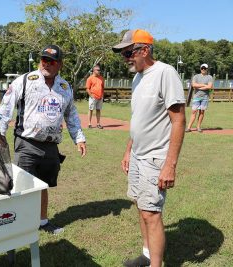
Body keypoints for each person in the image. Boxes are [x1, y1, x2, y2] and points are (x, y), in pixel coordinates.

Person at [112, 29, 186, 267]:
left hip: (156, 157)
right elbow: (139, 118)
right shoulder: (138, 78)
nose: (126, 58)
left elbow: (178, 120)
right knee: (140, 205)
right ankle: (146, 255)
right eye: (123, 54)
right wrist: (128, 150)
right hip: (137, 154)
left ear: (145, 49)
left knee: (151, 213)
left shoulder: (165, 73)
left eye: (128, 52)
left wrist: (170, 165)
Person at [0, 44, 87, 235]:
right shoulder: (24, 81)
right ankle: (18, 224)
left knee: (42, 186)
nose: (46, 64)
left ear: (60, 64)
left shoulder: (65, 87)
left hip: (51, 146)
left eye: (52, 61)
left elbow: (71, 115)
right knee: (20, 185)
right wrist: (0, 134)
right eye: (44, 60)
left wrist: (78, 138)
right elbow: (6, 108)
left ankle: (42, 221)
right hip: (27, 142)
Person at [185, 63, 213, 133]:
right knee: (194, 112)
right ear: (200, 68)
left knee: (202, 112)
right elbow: (193, 85)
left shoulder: (209, 77)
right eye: (202, 68)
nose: (203, 69)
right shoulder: (196, 76)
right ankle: (189, 128)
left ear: (207, 69)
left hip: (205, 97)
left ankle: (198, 127)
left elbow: (209, 87)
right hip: (196, 97)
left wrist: (199, 87)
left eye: (205, 68)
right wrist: (204, 85)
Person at [86, 64, 105, 129]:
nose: (99, 71)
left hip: (100, 97)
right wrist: (91, 96)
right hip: (93, 97)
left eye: (99, 70)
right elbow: (87, 88)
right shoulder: (90, 78)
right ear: (94, 70)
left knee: (98, 110)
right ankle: (89, 124)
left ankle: (98, 124)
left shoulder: (101, 78)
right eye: (98, 70)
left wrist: (102, 95)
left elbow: (102, 88)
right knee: (91, 110)